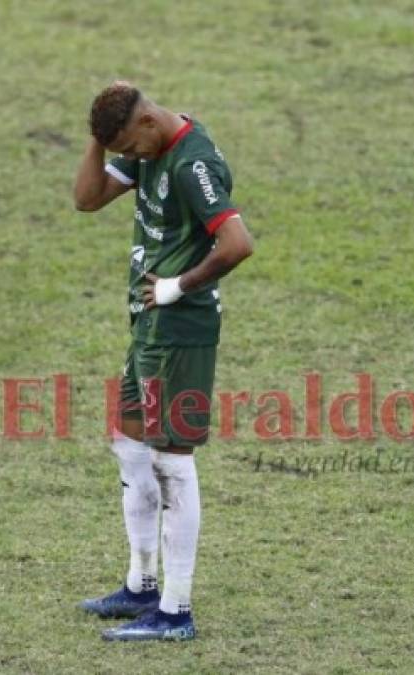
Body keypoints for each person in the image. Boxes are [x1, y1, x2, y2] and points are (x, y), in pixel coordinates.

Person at [73, 81, 254, 641]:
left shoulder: (190, 163)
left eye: (130, 146)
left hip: (181, 328)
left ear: (150, 123)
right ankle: (140, 585)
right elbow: (87, 198)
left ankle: (175, 612)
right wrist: (100, 141)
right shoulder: (147, 145)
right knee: (128, 443)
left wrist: (180, 285)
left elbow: (238, 243)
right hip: (148, 326)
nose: (130, 159)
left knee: (172, 462)